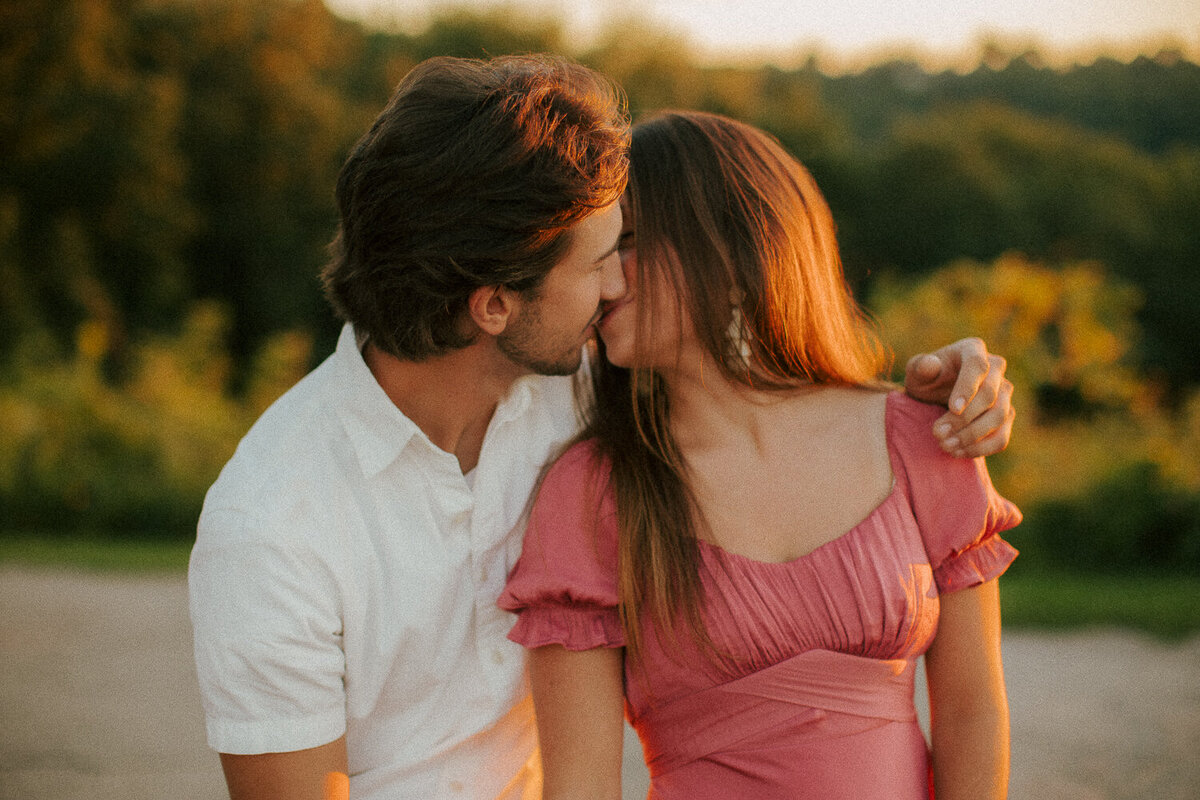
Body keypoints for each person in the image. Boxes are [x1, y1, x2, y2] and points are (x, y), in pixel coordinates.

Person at [189, 56, 1014, 800]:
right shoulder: (269, 527)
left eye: (628, 246)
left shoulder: (572, 387)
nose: (616, 280)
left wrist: (958, 378)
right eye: (597, 260)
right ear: (494, 306)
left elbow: (746, 378)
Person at [499, 110, 1021, 800]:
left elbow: (971, 713)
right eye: (591, 253)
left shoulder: (921, 437)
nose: (602, 278)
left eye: (626, 243)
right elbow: (581, 788)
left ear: (732, 244)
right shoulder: (593, 490)